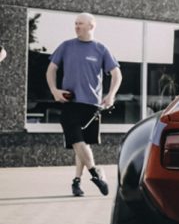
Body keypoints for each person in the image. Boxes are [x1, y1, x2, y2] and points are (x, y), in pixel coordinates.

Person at [46, 13, 122, 197]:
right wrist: (55, 91)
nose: (76, 26)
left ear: (91, 26)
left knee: (82, 143)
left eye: (80, 23)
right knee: (77, 139)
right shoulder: (66, 46)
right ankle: (95, 173)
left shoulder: (101, 49)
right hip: (70, 102)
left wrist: (111, 95)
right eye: (75, 23)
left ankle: (77, 182)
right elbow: (51, 70)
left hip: (91, 104)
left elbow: (116, 74)